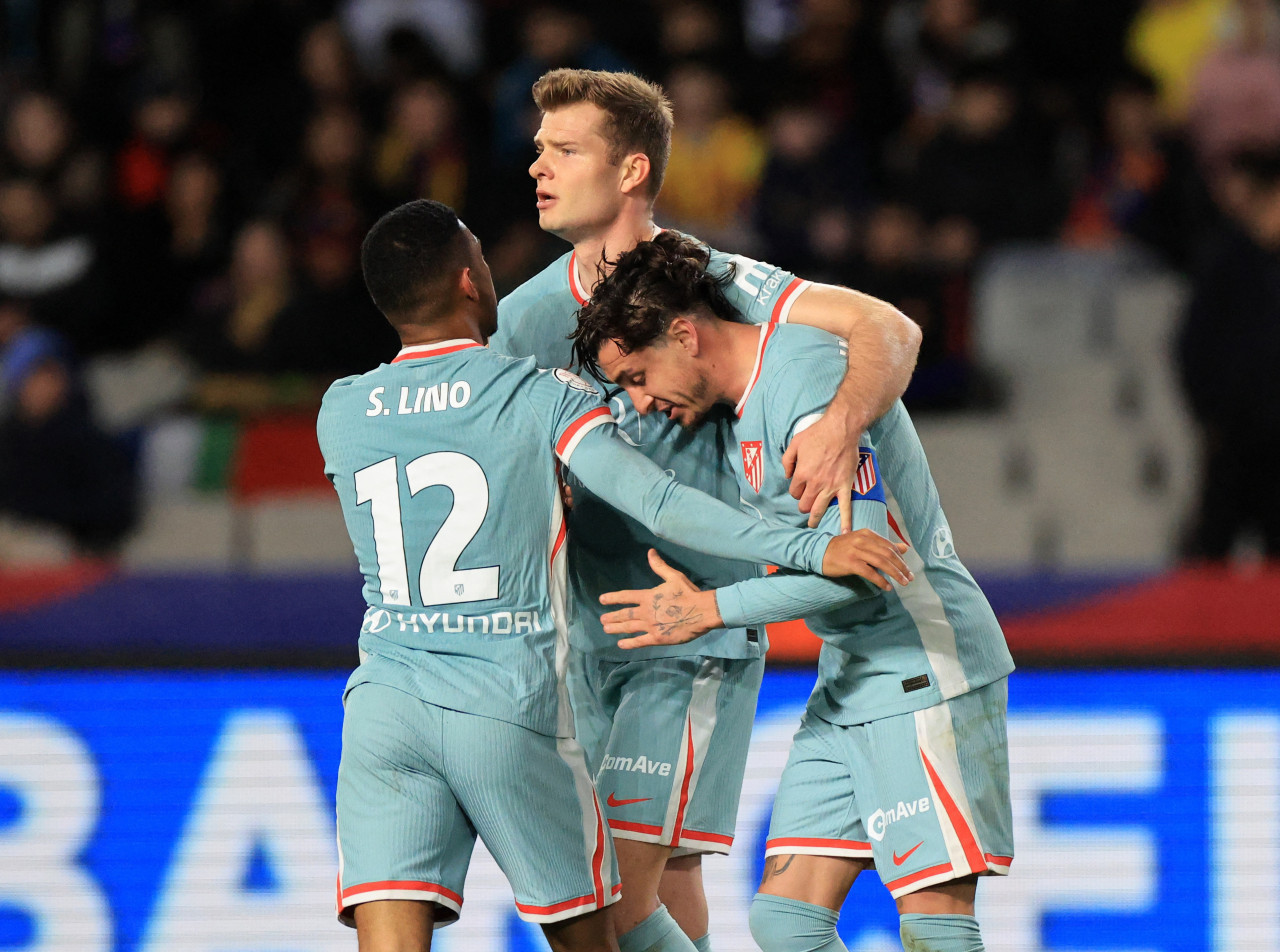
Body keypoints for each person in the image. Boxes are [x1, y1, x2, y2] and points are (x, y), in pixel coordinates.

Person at [315, 200, 914, 952]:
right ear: (470, 282)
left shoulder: (340, 410)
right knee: (602, 932)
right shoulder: (535, 396)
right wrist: (806, 549)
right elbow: (660, 502)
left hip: (384, 703)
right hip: (504, 699)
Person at [489, 67, 922, 952]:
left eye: (566, 150)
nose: (539, 166)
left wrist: (842, 419)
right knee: (665, 875)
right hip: (585, 635)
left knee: (615, 895)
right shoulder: (523, 319)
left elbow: (892, 329)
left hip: (693, 636)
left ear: (632, 171)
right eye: (539, 149)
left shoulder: (718, 285)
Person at [571, 231, 1016, 952]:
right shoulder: (747, 408)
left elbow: (862, 567)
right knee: (785, 922)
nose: (641, 402)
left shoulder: (804, 377)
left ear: (685, 333)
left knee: (933, 924)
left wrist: (710, 611)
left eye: (638, 375)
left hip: (924, 667)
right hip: (851, 677)